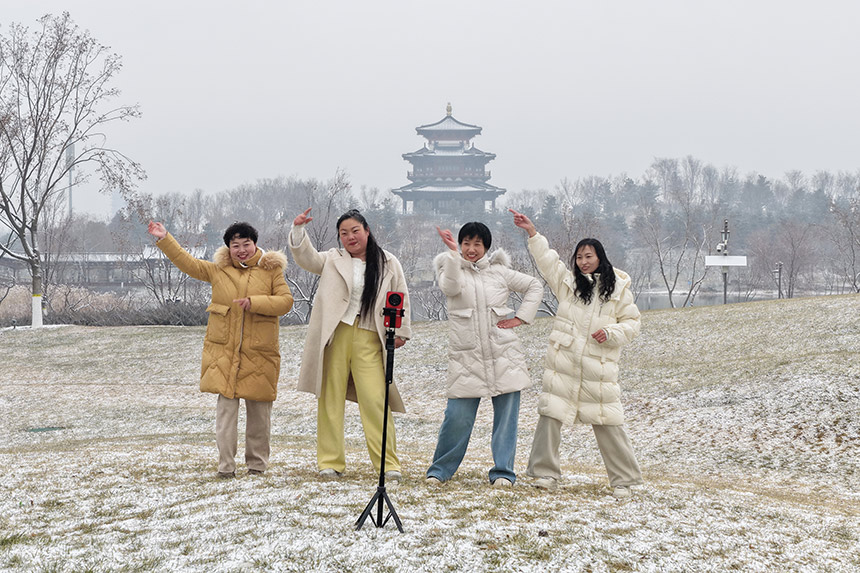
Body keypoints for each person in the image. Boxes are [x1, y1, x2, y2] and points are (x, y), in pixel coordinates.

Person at [509, 209, 643, 498]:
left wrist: (610, 333)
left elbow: (633, 324)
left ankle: (624, 480)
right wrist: (532, 233)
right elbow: (548, 263)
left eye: (589, 256)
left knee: (608, 421)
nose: (583, 262)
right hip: (564, 363)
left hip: (599, 367)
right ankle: (544, 474)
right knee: (550, 416)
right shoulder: (568, 285)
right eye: (579, 257)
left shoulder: (619, 291)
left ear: (600, 257)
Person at [147, 221, 294, 478]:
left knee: (260, 415)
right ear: (228, 247)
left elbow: (285, 302)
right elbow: (187, 263)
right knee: (226, 415)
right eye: (235, 245)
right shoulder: (218, 270)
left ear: (255, 244)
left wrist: (255, 303)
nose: (241, 250)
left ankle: (257, 466)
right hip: (224, 353)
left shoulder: (272, 271)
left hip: (259, 353)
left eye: (246, 244)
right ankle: (226, 467)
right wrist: (165, 239)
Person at [289, 208, 411, 482]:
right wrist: (298, 229)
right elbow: (306, 258)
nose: (350, 237)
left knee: (375, 401)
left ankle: (388, 464)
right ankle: (330, 462)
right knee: (329, 398)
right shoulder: (333, 259)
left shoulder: (388, 262)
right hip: (336, 334)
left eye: (355, 230)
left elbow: (399, 294)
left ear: (367, 231)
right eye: (344, 233)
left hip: (370, 335)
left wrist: (401, 330)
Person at [426, 223, 543, 488]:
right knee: (456, 417)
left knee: (506, 420)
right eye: (466, 243)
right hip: (467, 358)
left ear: (486, 247)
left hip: (504, 354)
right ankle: (440, 469)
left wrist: (521, 318)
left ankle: (503, 473)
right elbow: (451, 288)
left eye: (477, 244)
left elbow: (535, 286)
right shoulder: (449, 267)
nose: (471, 249)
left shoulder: (500, 273)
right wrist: (453, 253)